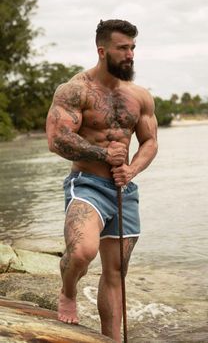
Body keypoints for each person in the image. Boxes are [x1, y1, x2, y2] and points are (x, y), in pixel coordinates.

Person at [46, 19, 158, 343]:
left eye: (133, 48)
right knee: (82, 251)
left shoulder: (140, 97)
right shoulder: (75, 90)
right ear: (102, 50)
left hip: (124, 190)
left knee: (115, 274)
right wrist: (101, 153)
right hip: (87, 184)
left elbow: (150, 142)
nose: (130, 55)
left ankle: (110, 339)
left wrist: (132, 169)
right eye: (123, 48)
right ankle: (68, 290)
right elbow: (57, 139)